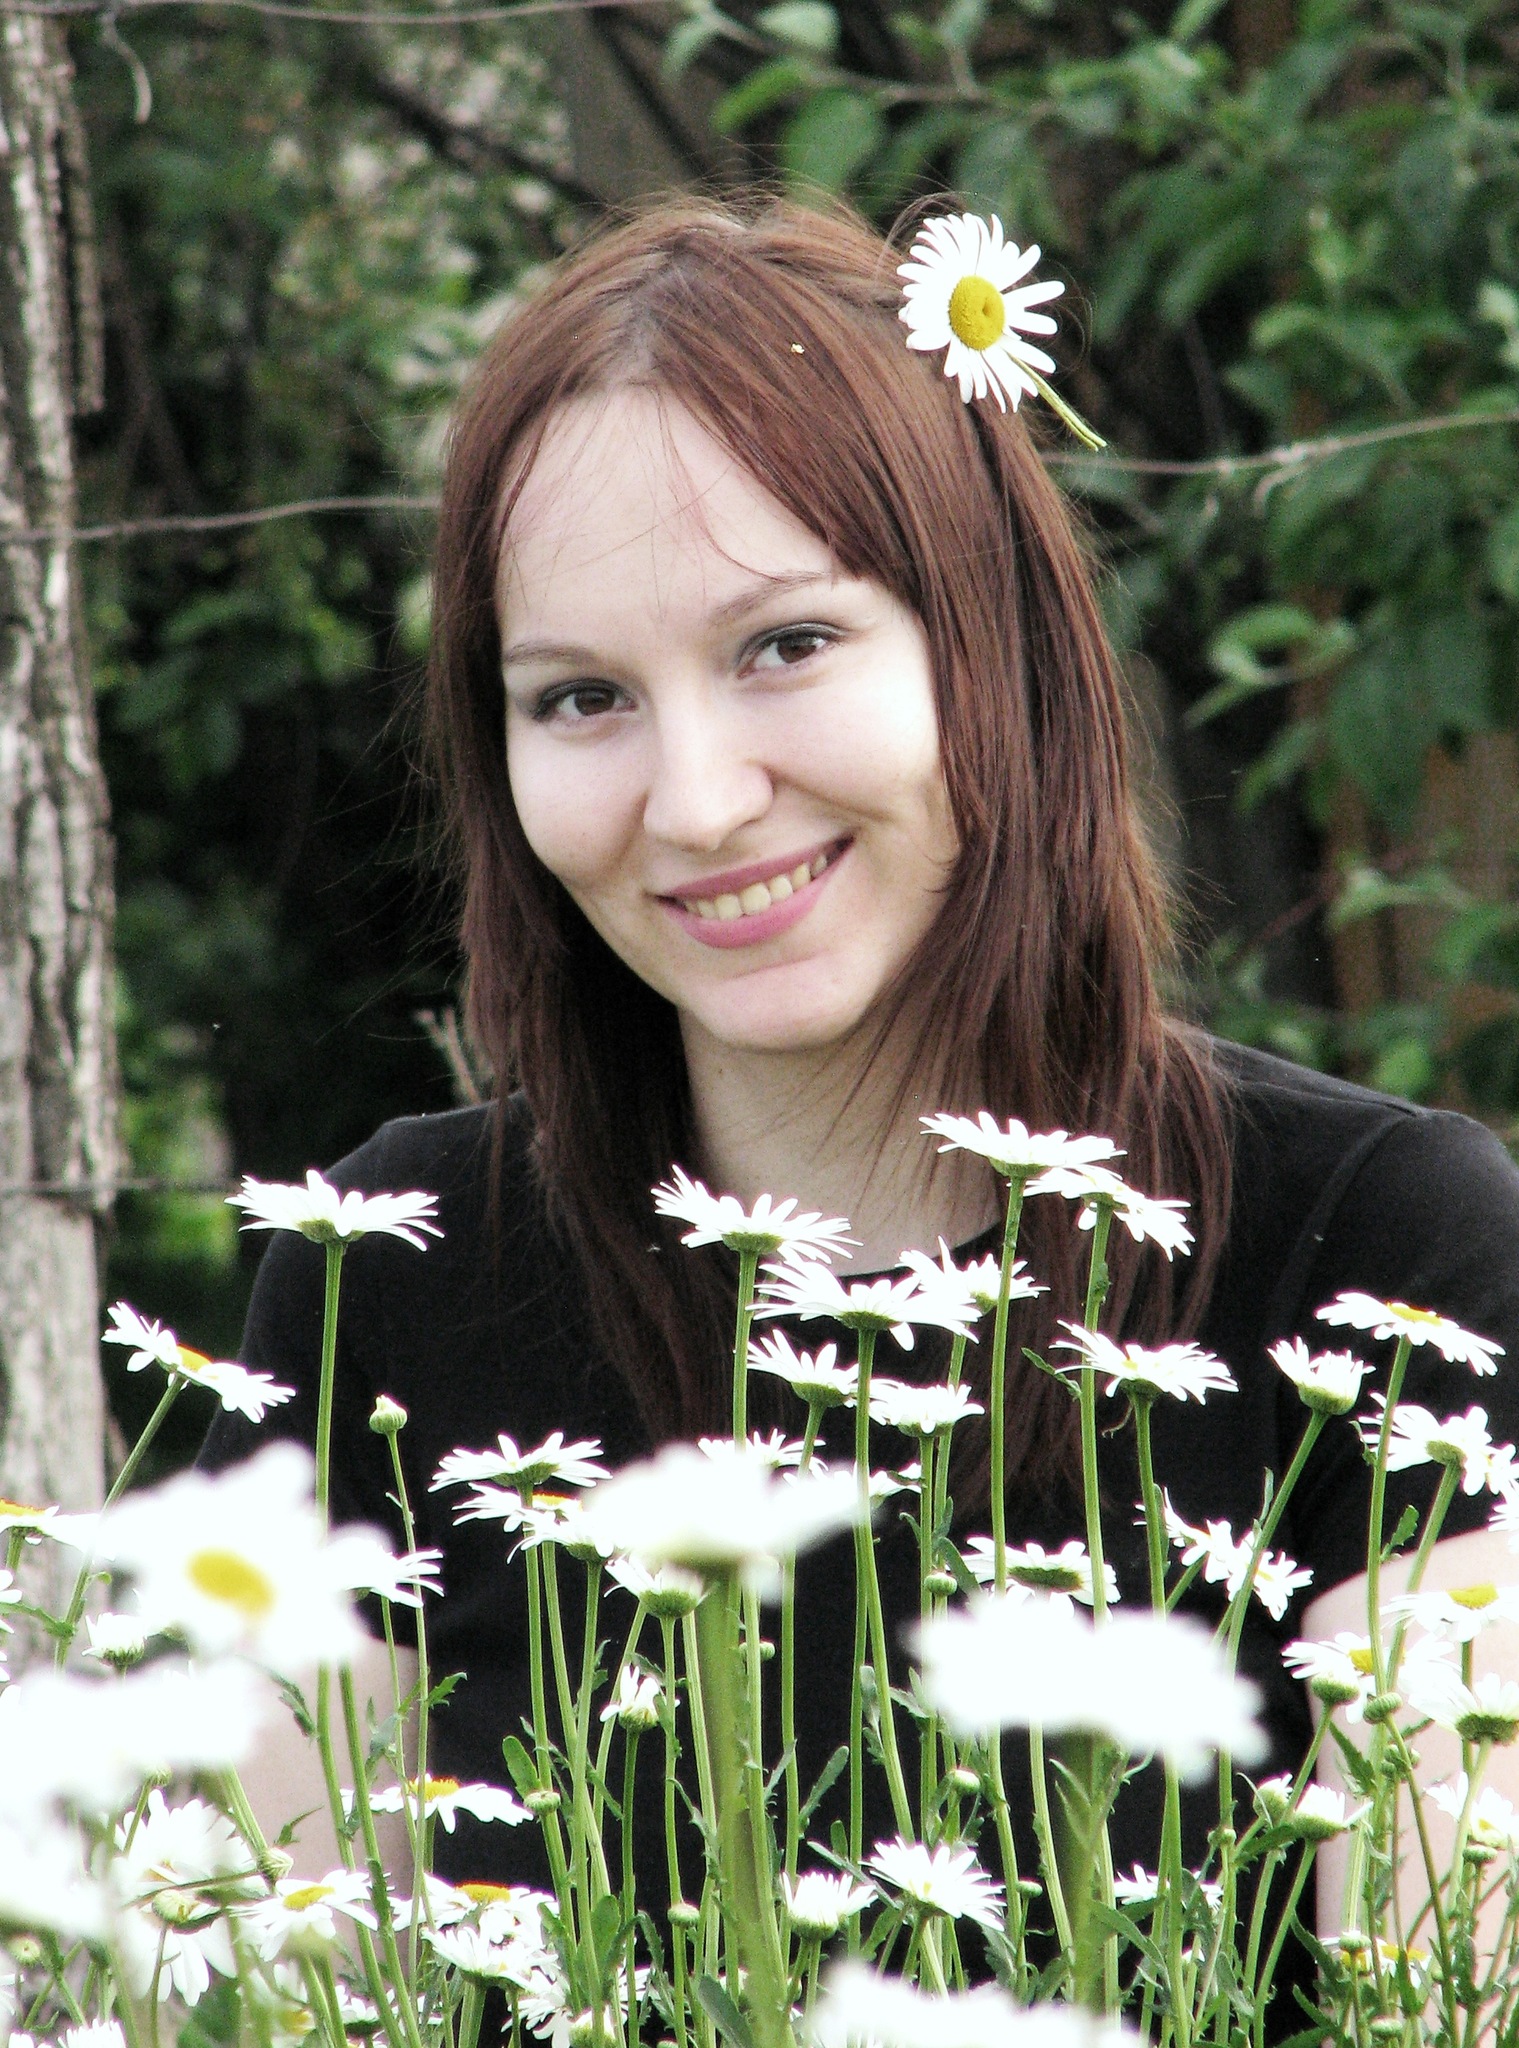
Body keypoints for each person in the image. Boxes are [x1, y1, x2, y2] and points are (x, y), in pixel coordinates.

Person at [202, 195, 1519, 1939]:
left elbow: (1439, 1988)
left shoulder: (1375, 1259)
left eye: (786, 646)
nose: (696, 802)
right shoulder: (392, 1274)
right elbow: (261, 1970)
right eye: (580, 697)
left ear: (996, 645)